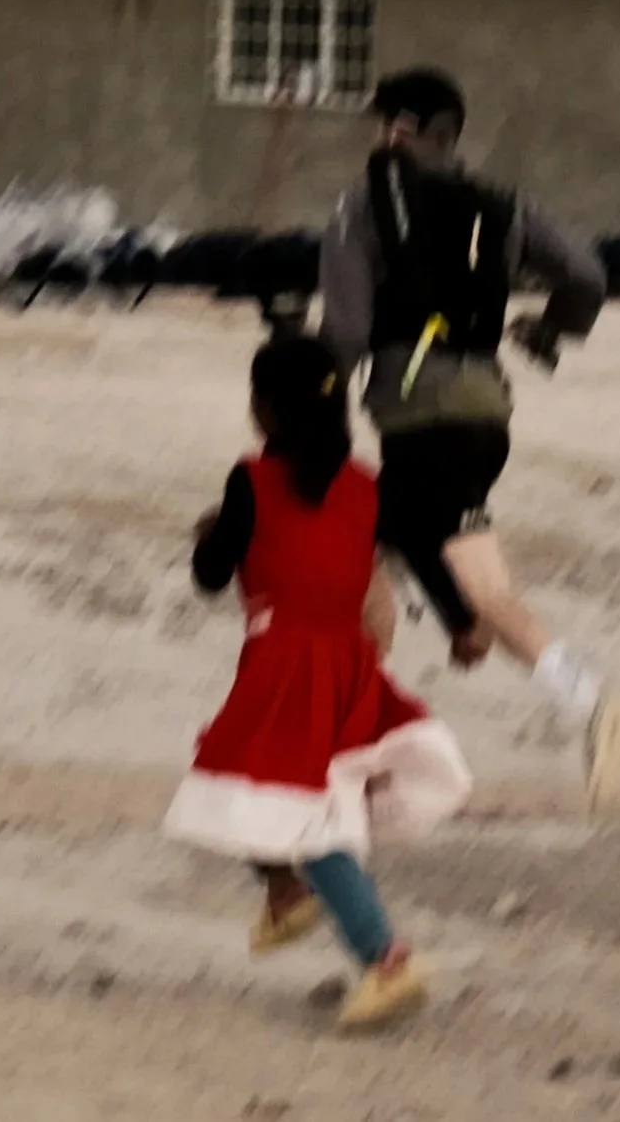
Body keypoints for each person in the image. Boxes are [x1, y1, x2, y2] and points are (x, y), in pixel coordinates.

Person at [319, 66, 620, 819]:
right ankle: (363, 742)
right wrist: (548, 326)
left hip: (417, 415)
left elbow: (345, 331)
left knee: (427, 576)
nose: (378, 134)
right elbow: (588, 273)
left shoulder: (362, 205)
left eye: (384, 121)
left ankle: (591, 701)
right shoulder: (503, 207)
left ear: (401, 128)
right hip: (482, 414)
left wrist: (320, 410)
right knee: (402, 559)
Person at [164, 332, 470, 1037]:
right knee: (247, 782)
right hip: (348, 659)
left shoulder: (251, 478)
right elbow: (420, 548)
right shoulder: (367, 482)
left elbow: (213, 576)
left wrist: (213, 534)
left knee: (280, 799)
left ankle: (383, 955)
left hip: (287, 664)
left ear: (265, 410)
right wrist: (460, 621)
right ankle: (283, 892)